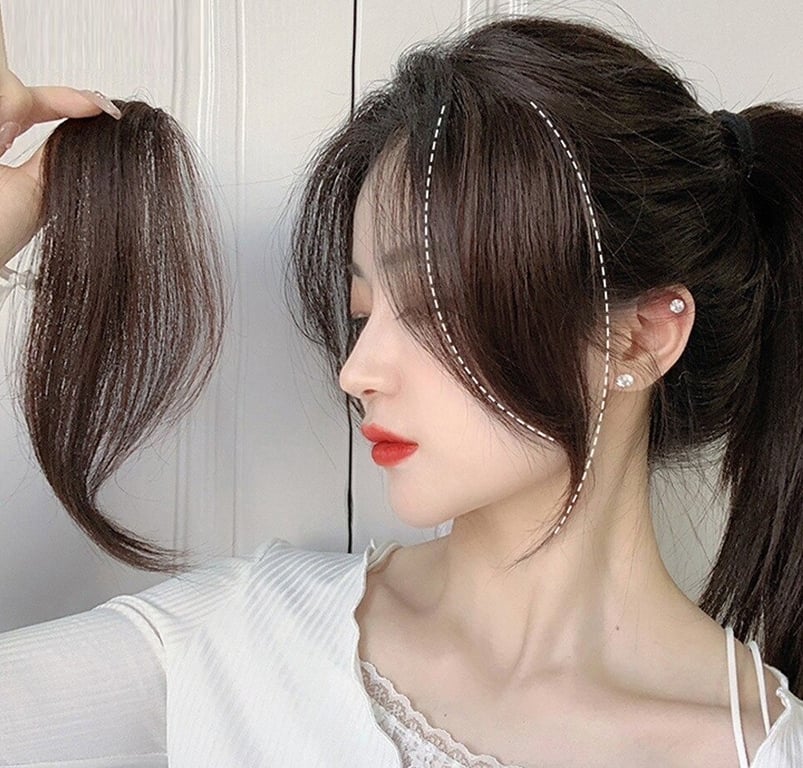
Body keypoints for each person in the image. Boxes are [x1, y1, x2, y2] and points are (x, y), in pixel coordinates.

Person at [1, 14, 802, 768]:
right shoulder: (240, 641)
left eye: (428, 308)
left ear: (641, 335)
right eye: (362, 311)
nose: (356, 372)